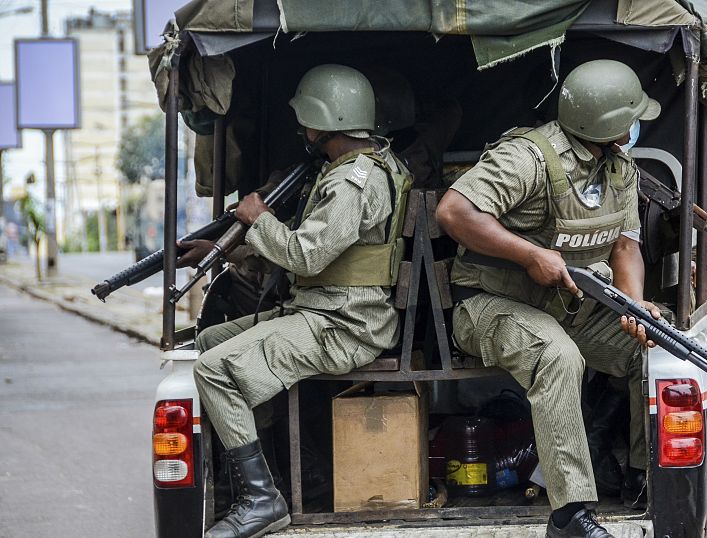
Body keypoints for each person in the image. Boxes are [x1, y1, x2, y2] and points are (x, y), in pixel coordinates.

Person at [183, 64, 411, 538]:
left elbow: (307, 255)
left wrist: (258, 216)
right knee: (211, 340)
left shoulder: (352, 182)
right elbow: (312, 248)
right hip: (324, 311)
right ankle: (277, 475)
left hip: (345, 325)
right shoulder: (360, 166)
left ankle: (262, 499)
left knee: (212, 370)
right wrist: (226, 250)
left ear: (324, 119)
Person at [436, 59, 660, 538]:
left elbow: (626, 245)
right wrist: (529, 254)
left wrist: (634, 304)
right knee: (556, 355)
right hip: (487, 306)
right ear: (606, 124)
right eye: (629, 118)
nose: (635, 126)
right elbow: (454, 212)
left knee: (652, 346)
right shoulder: (528, 158)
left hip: (567, 306)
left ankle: (644, 477)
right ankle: (570, 514)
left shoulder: (620, 167)